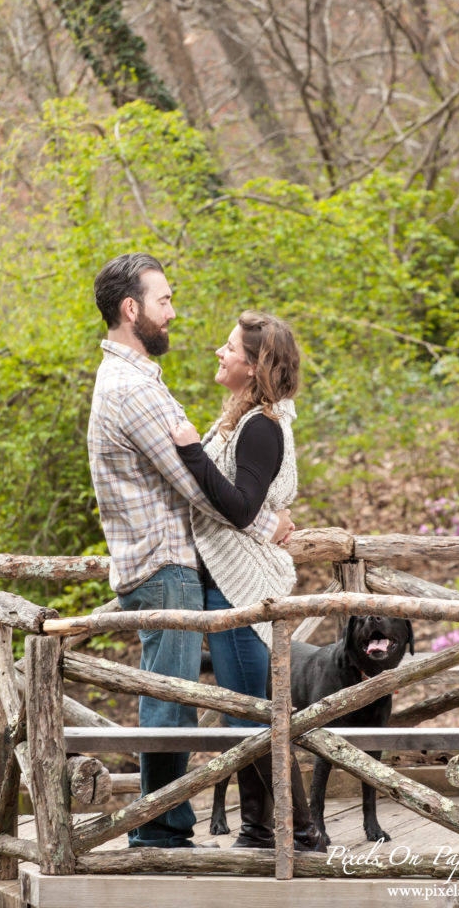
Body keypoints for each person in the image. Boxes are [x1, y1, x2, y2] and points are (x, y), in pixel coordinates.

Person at [87, 254, 293, 849]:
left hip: (164, 564)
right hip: (164, 566)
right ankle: (159, 830)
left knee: (176, 697)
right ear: (133, 310)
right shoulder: (134, 389)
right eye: (164, 302)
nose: (173, 314)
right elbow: (200, 491)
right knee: (171, 702)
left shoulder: (135, 379)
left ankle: (168, 825)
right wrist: (269, 525)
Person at [171, 310, 324, 852]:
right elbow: (242, 507)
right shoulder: (240, 417)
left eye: (230, 346)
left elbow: (238, 507)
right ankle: (262, 829)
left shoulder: (261, 426)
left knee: (252, 714)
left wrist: (189, 449)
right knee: (248, 709)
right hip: (228, 583)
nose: (219, 351)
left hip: (245, 590)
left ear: (257, 365)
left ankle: (300, 833)